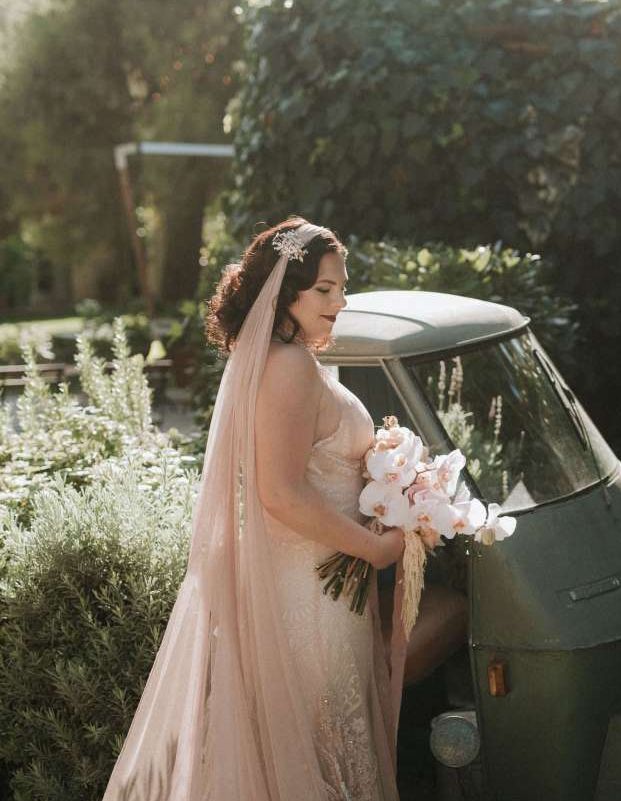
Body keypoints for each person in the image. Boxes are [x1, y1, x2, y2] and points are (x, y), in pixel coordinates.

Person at [101, 217, 408, 801]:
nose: (339, 301)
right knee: (314, 751)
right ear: (284, 290)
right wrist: (378, 546)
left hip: (319, 583)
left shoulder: (284, 358)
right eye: (324, 289)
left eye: (342, 288)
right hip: (307, 595)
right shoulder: (287, 366)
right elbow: (280, 493)